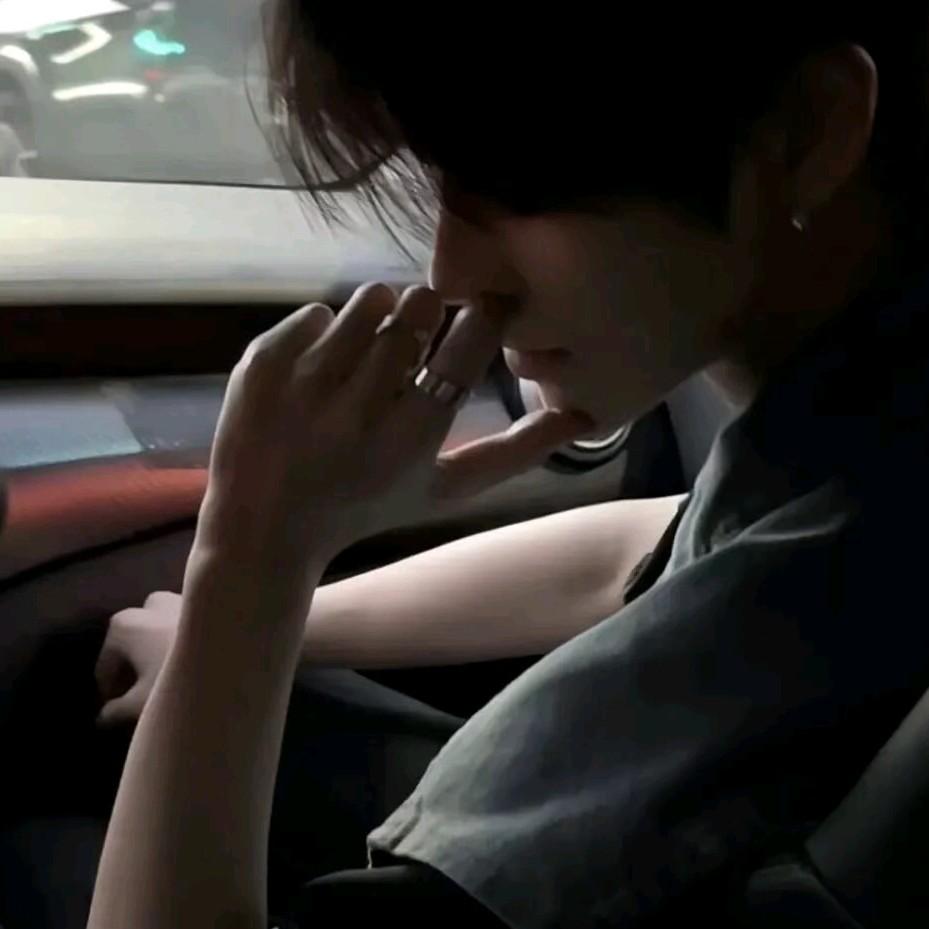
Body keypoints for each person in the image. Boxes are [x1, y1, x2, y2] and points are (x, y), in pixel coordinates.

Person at [81, 4, 929, 928]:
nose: (451, 272)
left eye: (519, 186)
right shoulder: (861, 430)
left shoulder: (791, 612)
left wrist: (248, 564)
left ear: (806, 131)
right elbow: (649, 546)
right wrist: (268, 620)